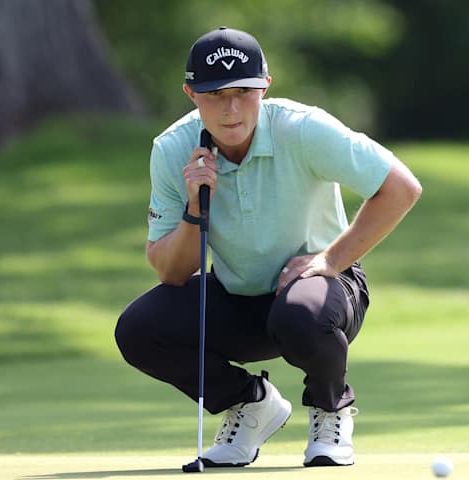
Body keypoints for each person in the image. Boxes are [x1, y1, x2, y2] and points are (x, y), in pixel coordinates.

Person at [115, 26, 421, 468]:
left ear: (265, 87)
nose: (232, 108)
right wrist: (195, 207)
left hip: (325, 288)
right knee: (139, 330)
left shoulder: (302, 129)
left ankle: (330, 410)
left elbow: (401, 188)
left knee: (300, 315)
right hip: (239, 296)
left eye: (244, 91)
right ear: (191, 94)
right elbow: (171, 272)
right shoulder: (172, 149)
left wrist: (331, 259)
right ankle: (251, 404)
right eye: (215, 94)